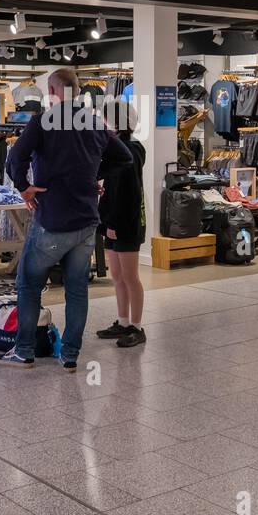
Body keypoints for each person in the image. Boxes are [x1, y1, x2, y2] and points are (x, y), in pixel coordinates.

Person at [0, 68, 133, 370]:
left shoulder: (43, 122)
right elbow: (125, 157)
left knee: (30, 285)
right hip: (86, 220)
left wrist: (24, 188)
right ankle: (70, 355)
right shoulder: (94, 122)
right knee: (77, 289)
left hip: (53, 220)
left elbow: (13, 158)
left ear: (54, 92)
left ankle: (24, 350)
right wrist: (96, 176)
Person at [95, 102, 147, 348]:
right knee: (117, 275)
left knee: (130, 276)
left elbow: (132, 195)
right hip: (112, 222)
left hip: (126, 223)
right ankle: (123, 321)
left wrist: (116, 221)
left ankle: (136, 326)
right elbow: (113, 189)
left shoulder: (131, 151)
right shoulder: (116, 149)